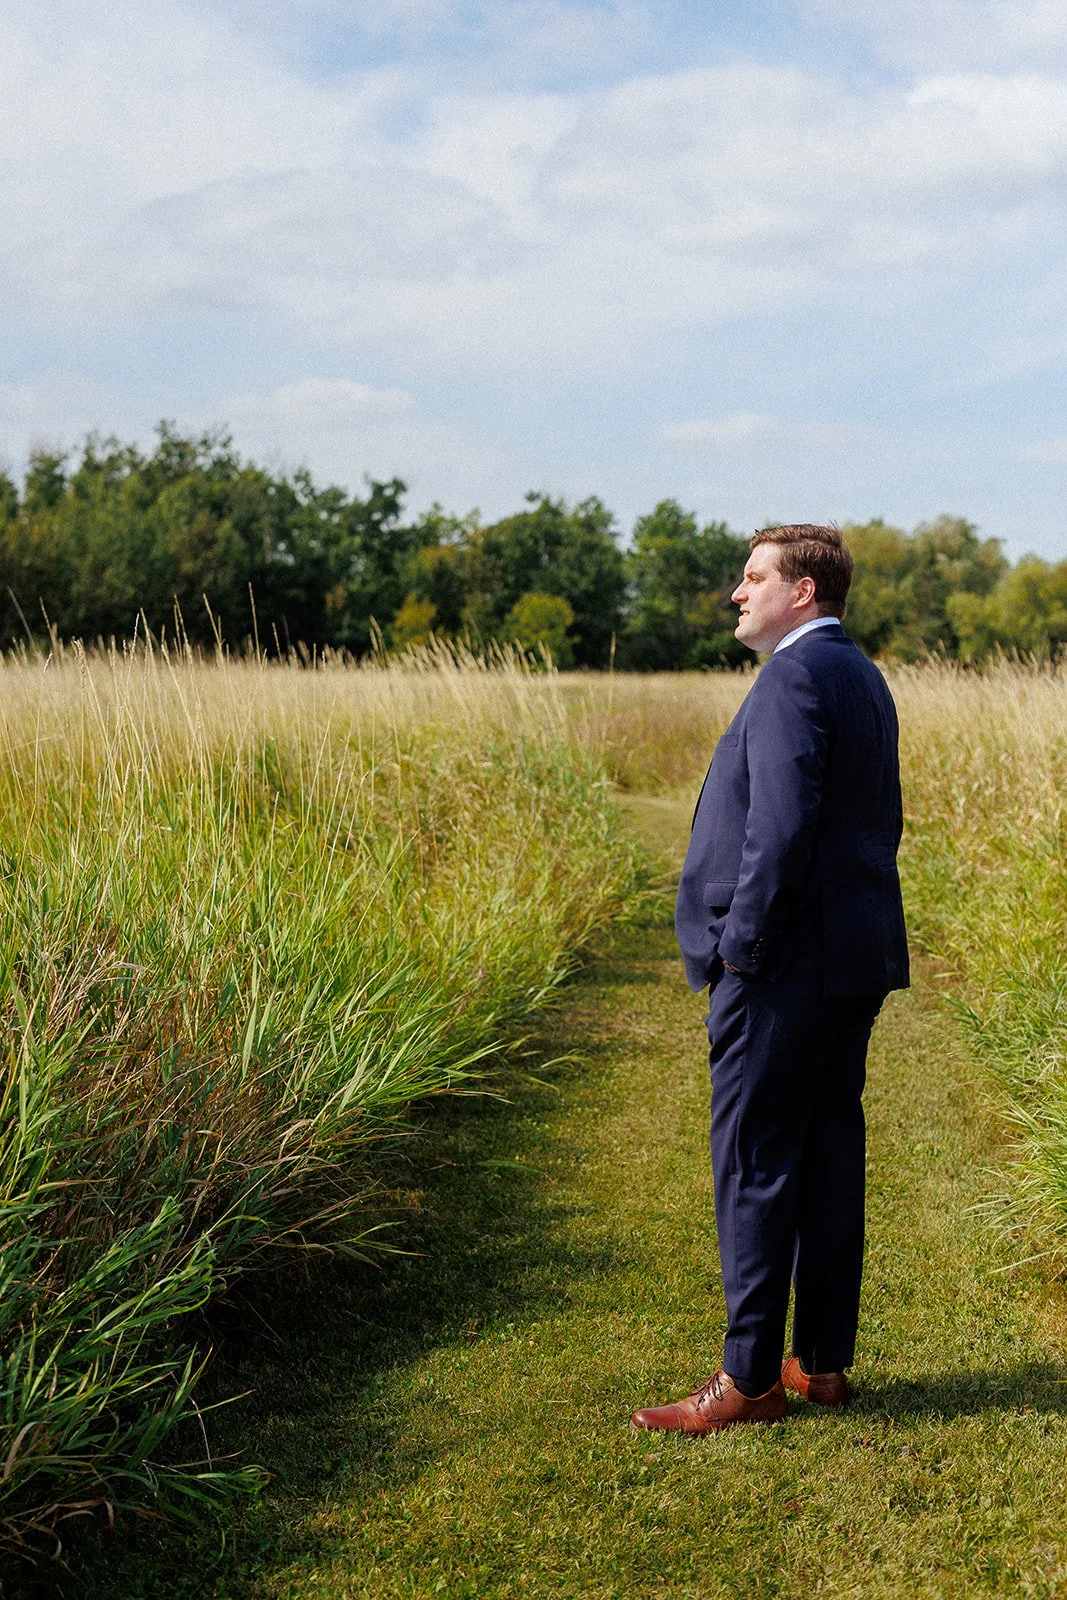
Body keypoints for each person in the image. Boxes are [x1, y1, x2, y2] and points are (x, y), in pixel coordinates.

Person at [631, 524, 909, 1434]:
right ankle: (822, 1365)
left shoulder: (792, 675)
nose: (735, 593)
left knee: (754, 1163)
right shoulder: (860, 674)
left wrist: (738, 951)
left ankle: (748, 1381)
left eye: (753, 577)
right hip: (848, 957)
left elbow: (779, 832)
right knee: (826, 1157)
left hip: (783, 966)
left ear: (803, 592)